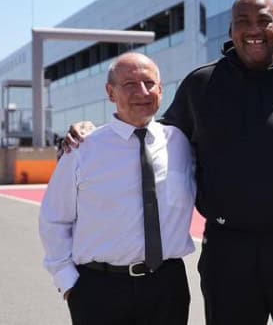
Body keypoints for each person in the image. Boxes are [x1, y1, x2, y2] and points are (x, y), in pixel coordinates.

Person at [62, 0, 273, 325]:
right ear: (231, 30)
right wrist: (92, 132)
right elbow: (150, 137)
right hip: (228, 250)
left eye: (264, 21)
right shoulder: (202, 85)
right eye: (243, 22)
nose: (254, 29)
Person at [40, 52, 196, 325]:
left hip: (167, 287)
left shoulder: (181, 142)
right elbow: (54, 218)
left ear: (161, 90)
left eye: (149, 83)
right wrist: (68, 283)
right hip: (99, 290)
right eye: (130, 84)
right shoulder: (83, 148)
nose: (142, 92)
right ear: (110, 92)